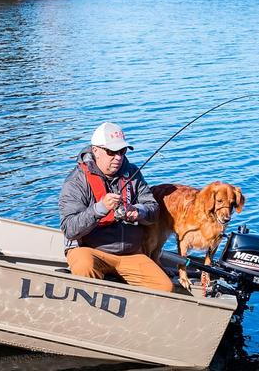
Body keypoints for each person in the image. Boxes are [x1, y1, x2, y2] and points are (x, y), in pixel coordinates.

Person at [58, 122, 174, 292]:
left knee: (166, 288)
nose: (118, 157)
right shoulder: (76, 181)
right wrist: (100, 209)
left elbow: (153, 210)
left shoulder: (132, 173)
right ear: (96, 150)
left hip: (131, 254)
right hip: (90, 250)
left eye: (122, 151)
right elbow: (70, 229)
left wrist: (138, 212)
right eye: (112, 152)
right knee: (84, 267)